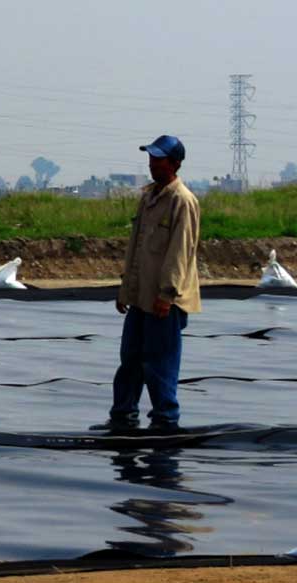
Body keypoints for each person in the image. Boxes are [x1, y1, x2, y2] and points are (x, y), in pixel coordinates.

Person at [92, 135, 201, 435]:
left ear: (175, 163)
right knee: (130, 359)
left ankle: (165, 421)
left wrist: (167, 295)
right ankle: (123, 416)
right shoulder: (149, 197)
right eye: (151, 158)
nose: (153, 164)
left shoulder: (182, 201)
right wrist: (125, 289)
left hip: (165, 300)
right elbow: (136, 249)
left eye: (159, 159)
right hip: (140, 297)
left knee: (159, 363)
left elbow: (180, 253)